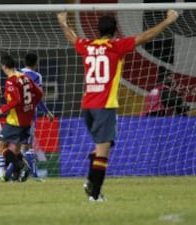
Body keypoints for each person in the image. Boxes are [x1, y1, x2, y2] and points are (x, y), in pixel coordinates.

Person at [57, 10, 179, 201]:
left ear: (98, 31)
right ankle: (95, 195)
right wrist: (168, 21)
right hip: (105, 106)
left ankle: (90, 182)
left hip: (87, 106)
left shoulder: (87, 45)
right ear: (115, 32)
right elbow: (146, 36)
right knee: (103, 153)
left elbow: (72, 38)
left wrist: (63, 22)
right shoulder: (116, 46)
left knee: (100, 147)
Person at [0, 54, 43, 182]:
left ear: (4, 67)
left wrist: (2, 109)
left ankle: (21, 167)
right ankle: (19, 174)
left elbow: (16, 100)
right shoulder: (25, 77)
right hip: (28, 118)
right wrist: (31, 106)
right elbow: (39, 93)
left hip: (16, 120)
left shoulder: (11, 81)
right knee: (16, 150)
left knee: (0, 146)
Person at [20, 53, 54, 178]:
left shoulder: (17, 73)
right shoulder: (36, 76)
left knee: (20, 145)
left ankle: (12, 172)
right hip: (29, 114)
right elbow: (38, 98)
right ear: (36, 63)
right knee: (28, 144)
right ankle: (33, 174)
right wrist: (47, 112)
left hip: (16, 114)